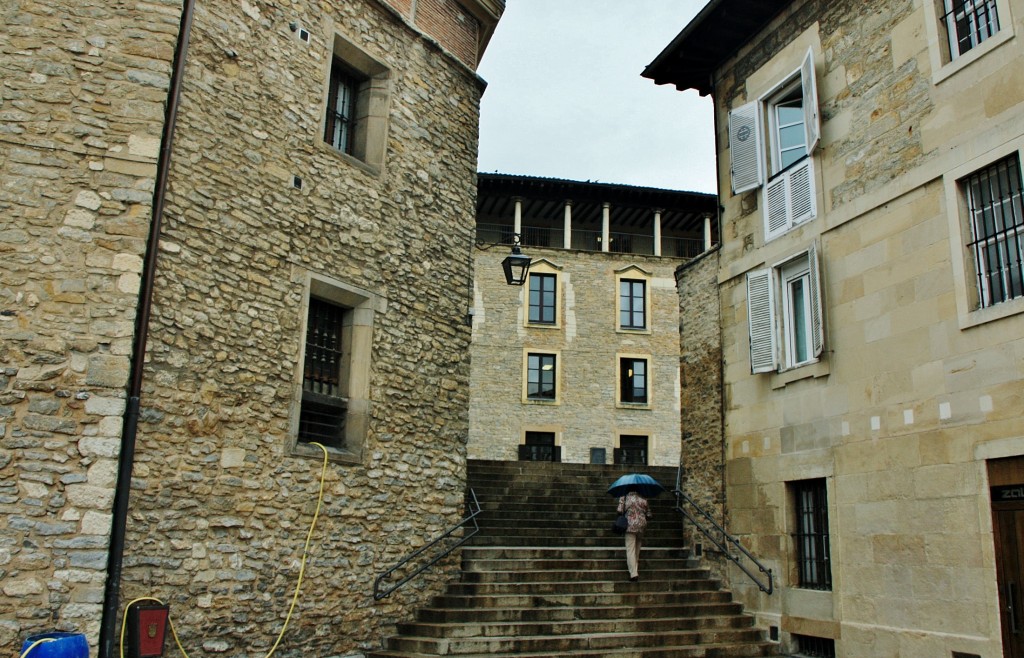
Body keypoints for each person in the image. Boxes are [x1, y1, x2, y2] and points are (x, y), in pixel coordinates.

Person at [617, 487, 652, 581]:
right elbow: (649, 514)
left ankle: (633, 574)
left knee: (630, 549)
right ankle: (635, 569)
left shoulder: (624, 496)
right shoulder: (644, 498)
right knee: (637, 550)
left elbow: (619, 510)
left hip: (630, 525)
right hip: (641, 526)